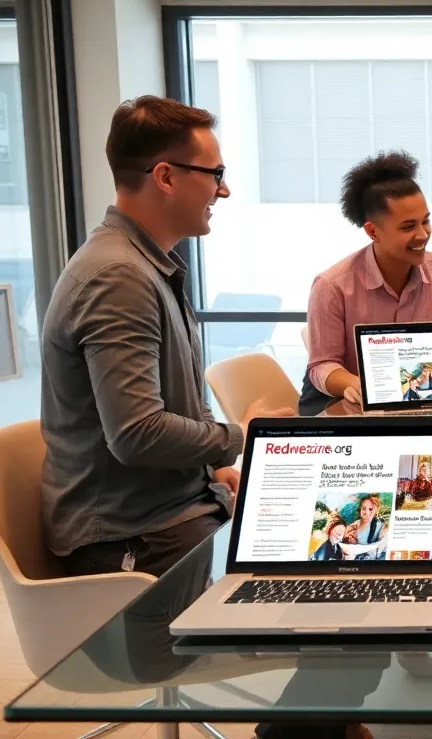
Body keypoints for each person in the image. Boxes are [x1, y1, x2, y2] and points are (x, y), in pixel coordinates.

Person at [41, 96, 293, 579]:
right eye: (215, 174)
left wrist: (210, 470)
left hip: (172, 512)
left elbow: (174, 409)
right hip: (135, 538)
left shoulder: (146, 266)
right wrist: (242, 436)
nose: (225, 191)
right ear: (166, 177)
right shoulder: (118, 276)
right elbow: (136, 435)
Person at [301, 151, 432, 415]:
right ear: (373, 231)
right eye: (408, 227)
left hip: (415, 397)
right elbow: (321, 366)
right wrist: (353, 384)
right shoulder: (331, 286)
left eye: (426, 221)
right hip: (344, 400)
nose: (423, 234)